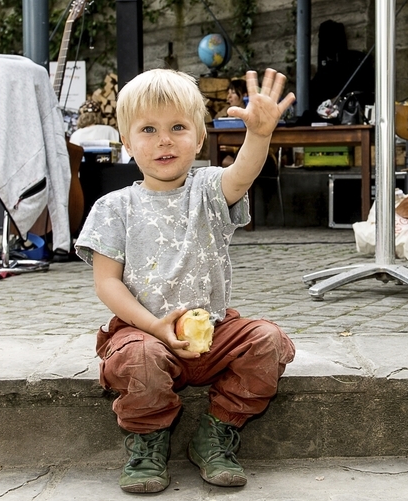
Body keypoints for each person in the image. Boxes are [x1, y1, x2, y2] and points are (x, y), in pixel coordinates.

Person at [75, 68, 297, 494]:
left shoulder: (210, 189)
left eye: (178, 127)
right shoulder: (113, 207)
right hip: (144, 333)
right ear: (127, 142)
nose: (164, 140)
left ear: (199, 139)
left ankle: (215, 431)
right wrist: (153, 326)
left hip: (214, 332)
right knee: (135, 359)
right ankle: (147, 441)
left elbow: (243, 173)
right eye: (148, 129)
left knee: (267, 340)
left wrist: (260, 135)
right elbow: (108, 284)